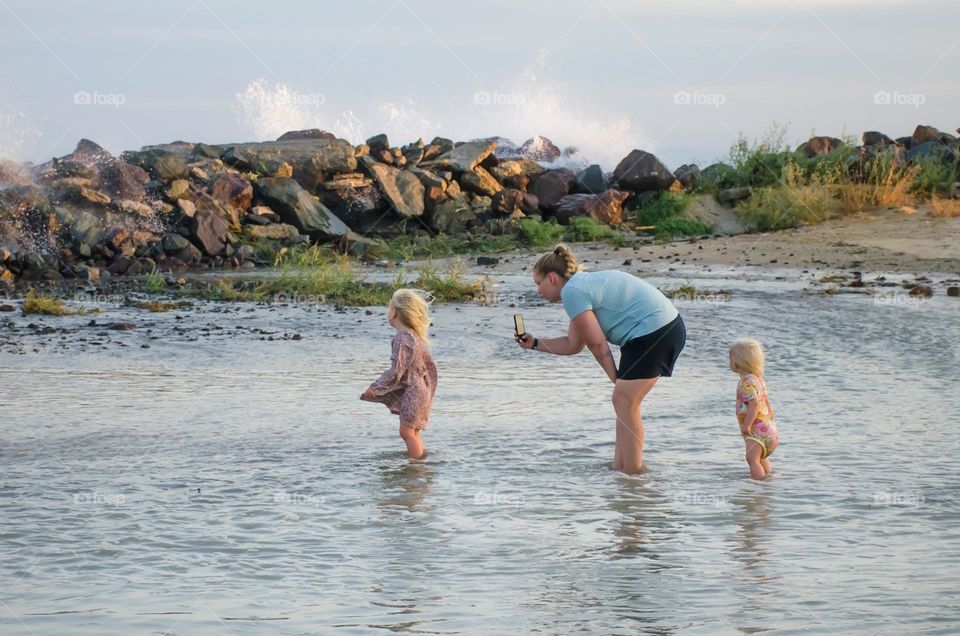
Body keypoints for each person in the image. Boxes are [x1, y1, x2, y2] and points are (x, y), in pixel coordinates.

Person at [516, 244, 685, 474]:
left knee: (624, 401)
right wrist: (534, 343)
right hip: (654, 331)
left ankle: (635, 478)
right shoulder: (580, 287)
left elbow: (597, 344)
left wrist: (614, 376)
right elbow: (572, 344)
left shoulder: (572, 292)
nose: (538, 291)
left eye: (539, 283)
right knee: (624, 404)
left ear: (552, 278)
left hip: (655, 331)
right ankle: (620, 469)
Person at [361, 289, 438, 459]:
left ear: (395, 312)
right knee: (413, 432)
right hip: (421, 391)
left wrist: (375, 388)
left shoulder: (402, 338)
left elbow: (396, 371)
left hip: (415, 393)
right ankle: (419, 464)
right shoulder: (415, 336)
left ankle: (415, 466)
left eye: (389, 308)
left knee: (406, 432)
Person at [730, 339, 778, 480]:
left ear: (737, 362)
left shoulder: (747, 382)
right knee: (760, 458)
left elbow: (755, 404)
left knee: (752, 459)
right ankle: (768, 479)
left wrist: (747, 424)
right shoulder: (757, 378)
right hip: (769, 431)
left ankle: (758, 486)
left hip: (757, 431)